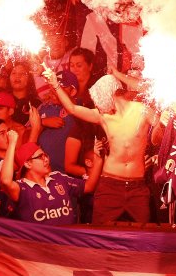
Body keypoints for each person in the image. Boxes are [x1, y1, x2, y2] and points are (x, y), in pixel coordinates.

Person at [43, 70, 156, 224]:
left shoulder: (142, 111)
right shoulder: (103, 116)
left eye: (98, 97)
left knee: (144, 236)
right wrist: (55, 84)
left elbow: (152, 93)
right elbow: (73, 109)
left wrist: (118, 74)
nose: (96, 103)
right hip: (110, 185)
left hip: (138, 187)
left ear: (111, 94)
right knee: (100, 233)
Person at [0, 128, 103, 226]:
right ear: (28, 164)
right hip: (42, 244)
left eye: (46, 155)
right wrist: (12, 144)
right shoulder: (22, 188)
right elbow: (6, 181)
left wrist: (98, 160)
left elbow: (89, 186)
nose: (46, 160)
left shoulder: (58, 178)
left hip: (69, 242)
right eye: (40, 157)